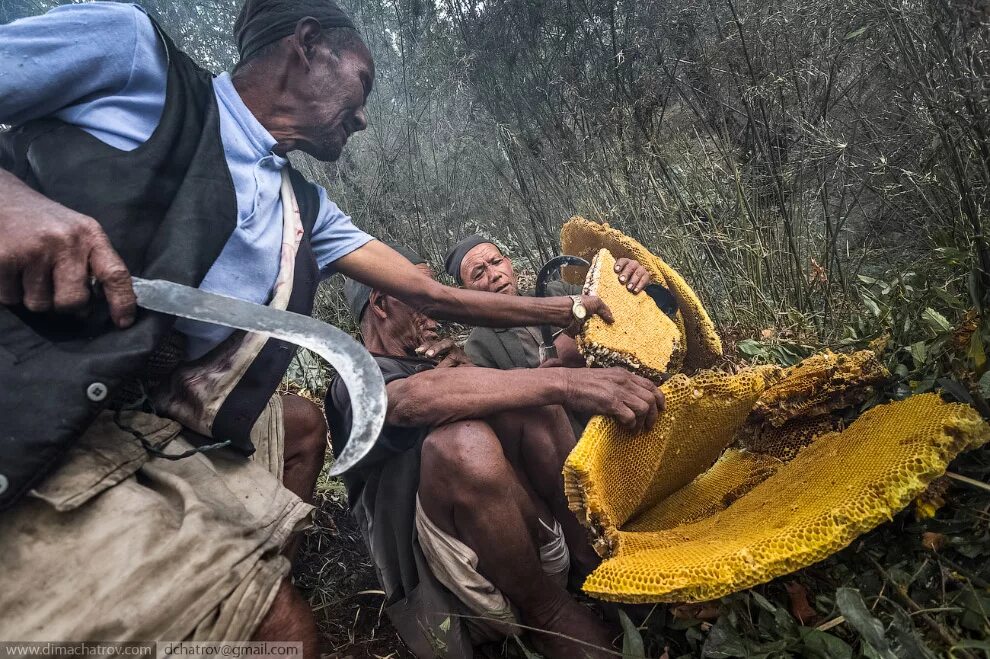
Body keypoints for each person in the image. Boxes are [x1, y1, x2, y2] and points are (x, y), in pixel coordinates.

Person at [0, 1, 614, 653]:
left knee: (279, 620)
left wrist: (572, 309)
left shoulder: (306, 212)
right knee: (270, 628)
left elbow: (435, 293)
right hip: (29, 400)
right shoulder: (128, 49)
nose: (364, 113)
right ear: (308, 45)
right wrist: (10, 202)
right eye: (362, 80)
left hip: (144, 427)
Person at [326, 246, 665, 658]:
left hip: (529, 539)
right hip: (450, 590)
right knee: (462, 442)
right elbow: (408, 401)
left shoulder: (438, 355)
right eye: (422, 295)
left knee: (526, 401)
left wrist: (625, 285)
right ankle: (548, 614)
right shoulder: (353, 376)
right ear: (381, 304)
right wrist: (569, 384)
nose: (437, 309)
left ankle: (591, 559)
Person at [444, 235, 651, 370]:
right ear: (465, 291)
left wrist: (630, 280)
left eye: (497, 262)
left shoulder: (558, 291)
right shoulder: (479, 347)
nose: (495, 275)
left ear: (509, 263)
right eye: (479, 273)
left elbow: (618, 310)